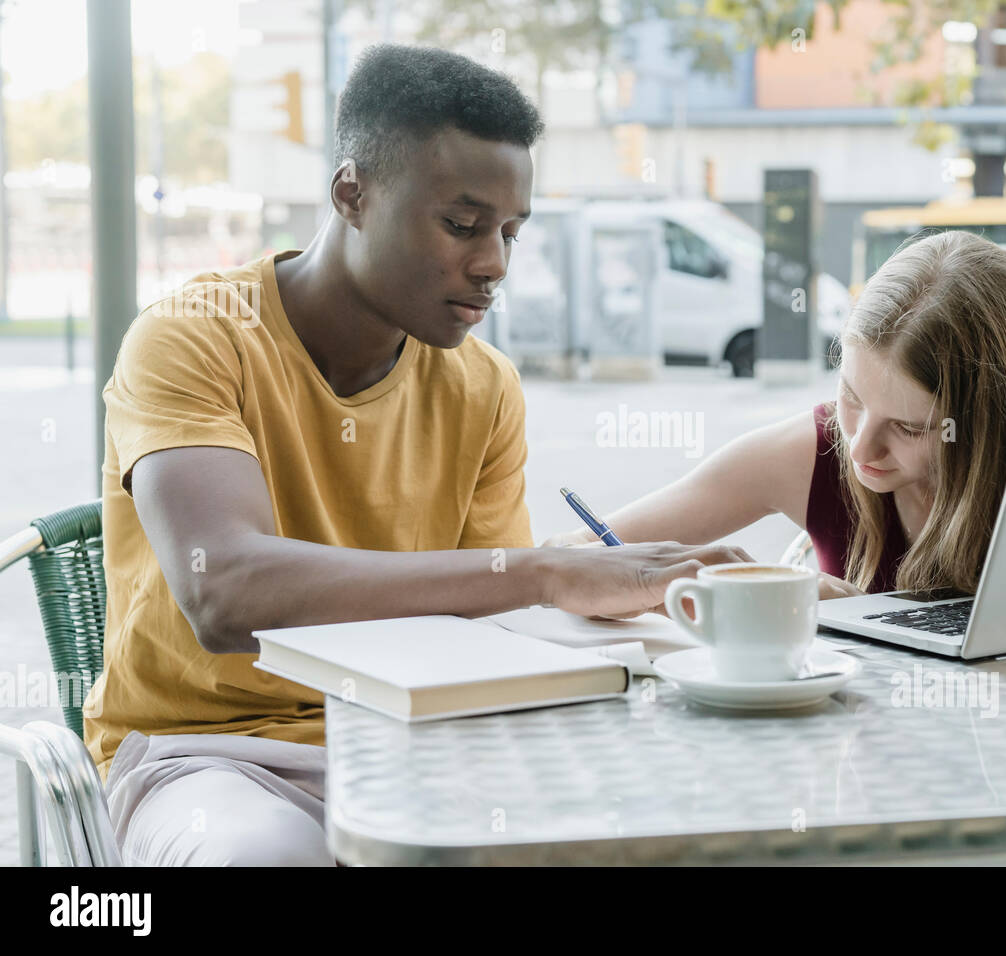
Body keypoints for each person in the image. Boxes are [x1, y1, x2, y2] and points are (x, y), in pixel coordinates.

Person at [83, 44, 751, 867]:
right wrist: (540, 571)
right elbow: (225, 594)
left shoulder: (485, 388)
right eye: (463, 226)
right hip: (213, 757)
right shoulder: (194, 336)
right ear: (350, 194)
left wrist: (649, 625)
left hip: (418, 742)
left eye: (510, 232)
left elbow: (487, 617)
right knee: (265, 858)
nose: (494, 264)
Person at [546, 230, 1006, 600]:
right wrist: (749, 599)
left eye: (909, 427)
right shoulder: (811, 450)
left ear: (990, 420)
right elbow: (564, 561)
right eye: (852, 398)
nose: (860, 448)